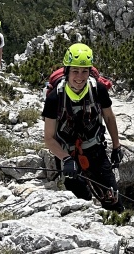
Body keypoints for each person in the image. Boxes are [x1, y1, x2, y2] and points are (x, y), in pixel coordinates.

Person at [43, 42, 123, 207]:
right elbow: (49, 138)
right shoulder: (54, 98)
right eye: (75, 71)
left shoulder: (98, 90)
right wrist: (66, 159)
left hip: (95, 149)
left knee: (113, 199)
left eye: (84, 71)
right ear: (67, 71)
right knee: (81, 202)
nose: (80, 77)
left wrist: (117, 146)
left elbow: (109, 118)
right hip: (67, 153)